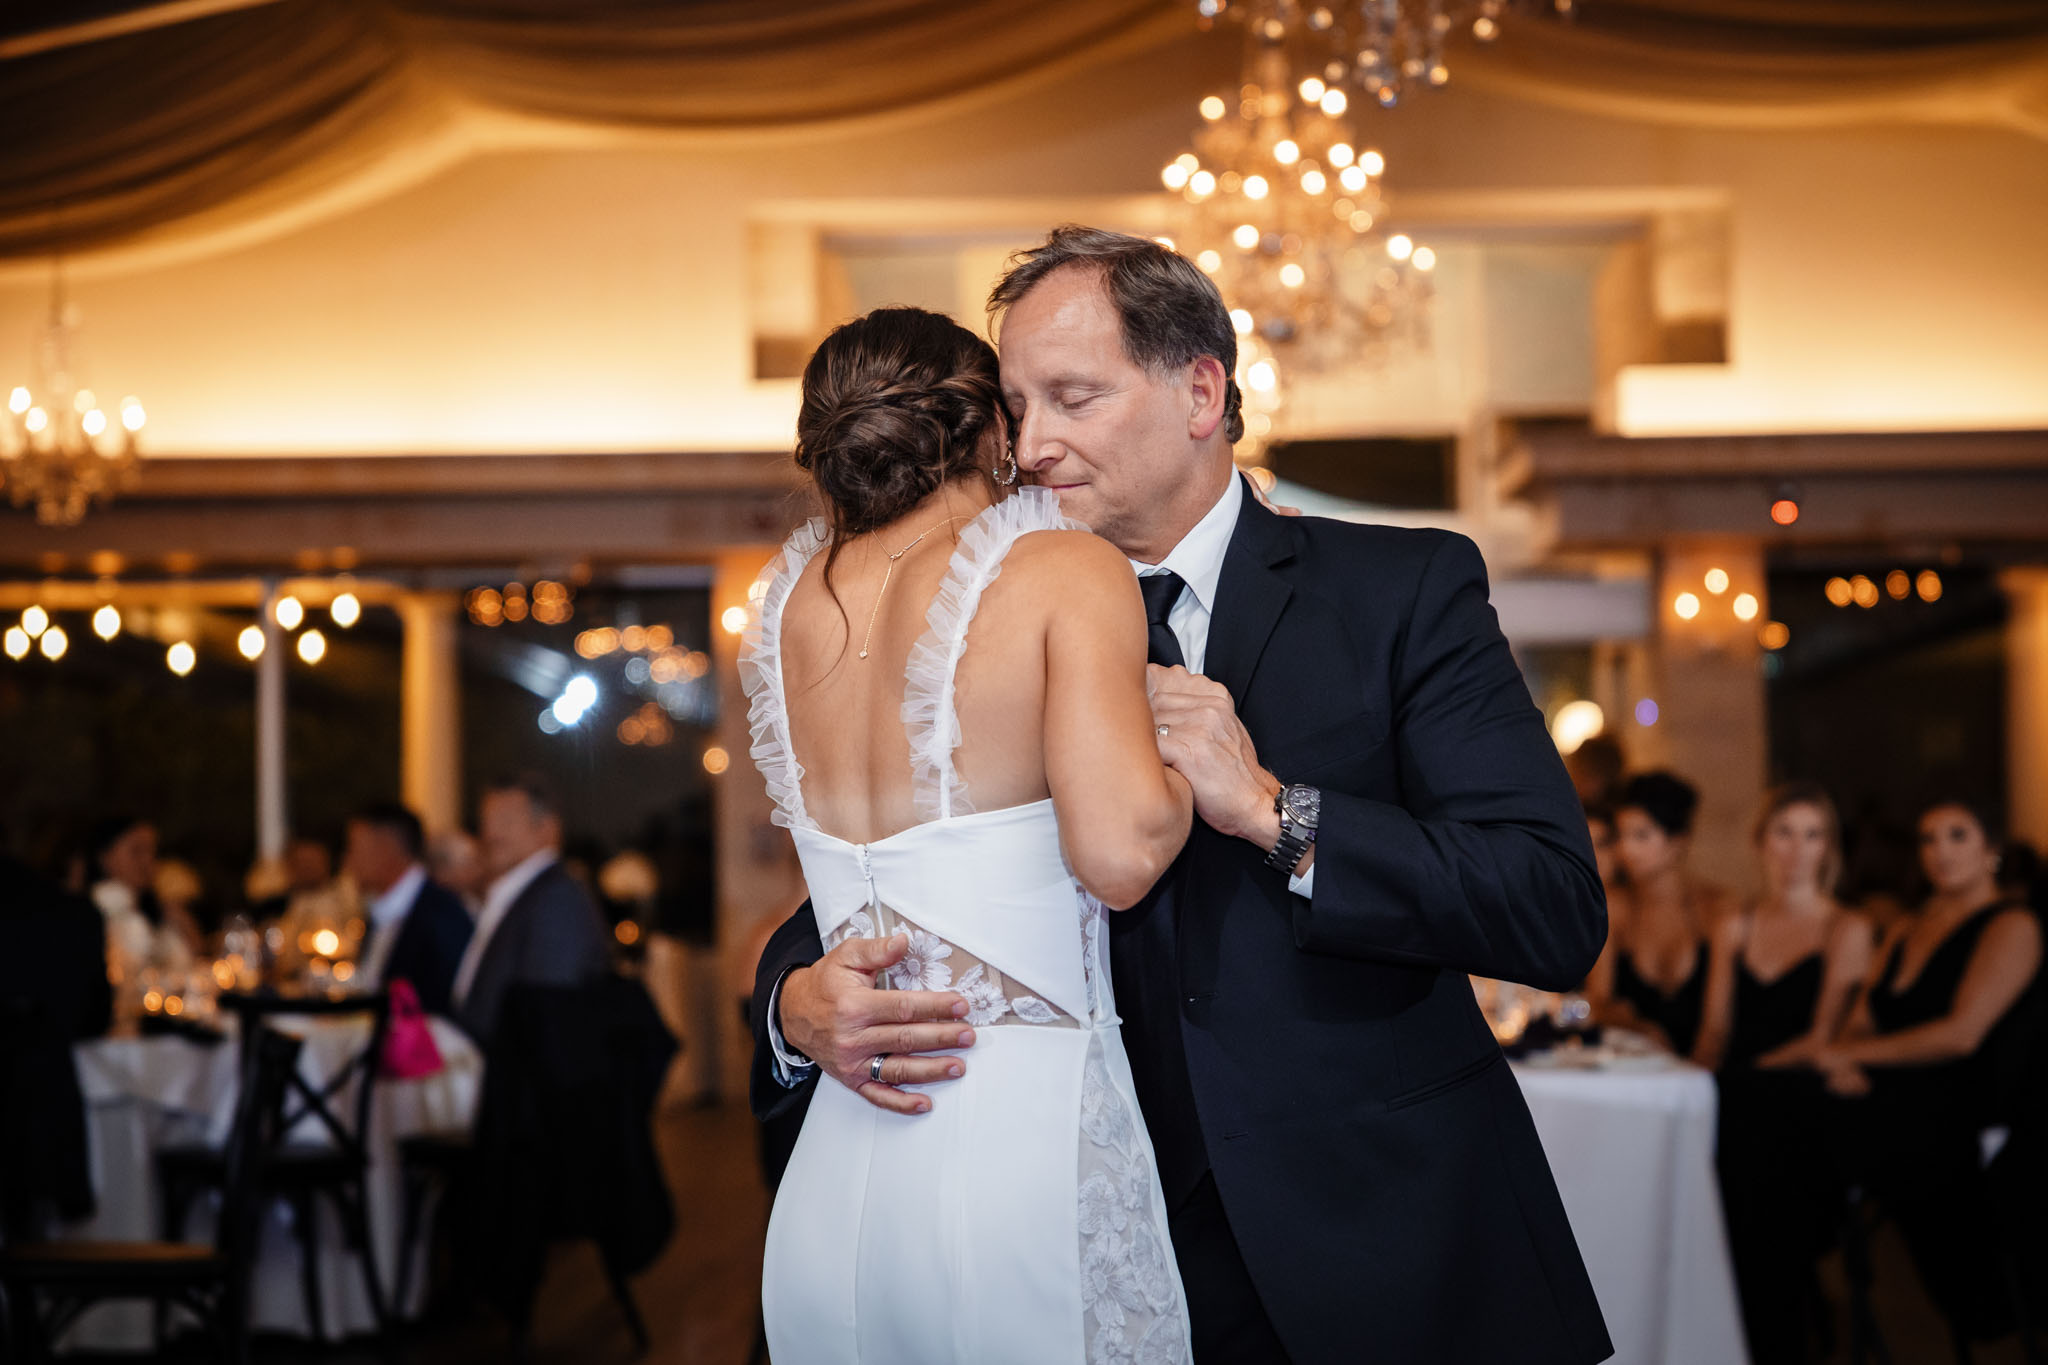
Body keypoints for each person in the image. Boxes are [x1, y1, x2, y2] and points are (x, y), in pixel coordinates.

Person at [751, 227, 1610, 1364]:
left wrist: (1276, 813)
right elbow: (893, 880)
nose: (1032, 446)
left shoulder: (1397, 590)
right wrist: (791, 1009)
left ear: (1201, 392)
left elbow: (1551, 904)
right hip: (1068, 1239)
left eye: (1073, 398)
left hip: (1374, 1243)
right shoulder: (984, 608)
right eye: (1015, 408)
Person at [743, 304, 1195, 1362]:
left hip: (843, 1152)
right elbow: (1122, 855)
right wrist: (1183, 761)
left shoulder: (787, 605)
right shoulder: (1059, 567)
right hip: (1018, 1143)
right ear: (989, 426)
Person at [1800, 798, 2044, 1343]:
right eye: (1928, 839)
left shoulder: (2013, 924)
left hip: (1961, 1108)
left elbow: (1962, 1035)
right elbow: (1860, 1021)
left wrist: (1851, 1057)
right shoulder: (1908, 925)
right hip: (1889, 1096)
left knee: (1793, 1128)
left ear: (1991, 850)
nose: (1940, 851)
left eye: (1957, 835)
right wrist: (1844, 1060)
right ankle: (1802, 1291)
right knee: (1795, 1107)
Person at [1693, 783, 1870, 1365]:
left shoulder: (1846, 927)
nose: (1797, 849)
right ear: (1761, 842)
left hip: (1803, 1101)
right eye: (1784, 833)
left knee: (1759, 1154)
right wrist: (1695, 1082)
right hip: (1743, 1102)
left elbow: (1822, 1038)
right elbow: (1715, 1029)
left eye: (1812, 835)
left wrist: (1738, 1079)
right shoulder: (1735, 922)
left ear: (1829, 848)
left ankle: (1773, 1338)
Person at [450, 774, 611, 1049]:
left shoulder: (556, 899)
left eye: (506, 821)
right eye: (486, 821)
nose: (491, 834)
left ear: (547, 828)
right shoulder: (520, 892)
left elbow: (547, 1018)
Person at [1587, 770, 1733, 1056]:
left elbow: (1717, 1028)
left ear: (1678, 841)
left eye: (1641, 836)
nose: (1626, 848)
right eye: (1621, 835)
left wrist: (1696, 1077)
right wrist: (1638, 1027)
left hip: (1706, 1069)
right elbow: (1599, 1002)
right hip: (1635, 1069)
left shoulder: (1716, 909)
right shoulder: (1616, 907)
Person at [343, 802, 474, 1017]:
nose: (348, 861)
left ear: (386, 849)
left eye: (354, 848)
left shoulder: (443, 916)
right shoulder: (379, 910)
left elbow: (442, 1008)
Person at [87, 814, 194, 988]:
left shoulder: (156, 909)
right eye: (136, 851)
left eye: (153, 852)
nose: (147, 860)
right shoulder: (97, 911)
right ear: (105, 857)